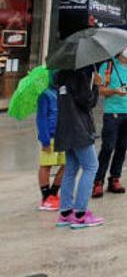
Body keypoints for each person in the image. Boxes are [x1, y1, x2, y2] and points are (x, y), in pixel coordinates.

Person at [54, 66, 104, 229]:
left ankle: (65, 212)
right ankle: (80, 214)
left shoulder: (60, 76)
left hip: (65, 128)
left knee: (71, 168)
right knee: (91, 166)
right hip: (79, 128)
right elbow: (88, 102)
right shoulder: (78, 76)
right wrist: (96, 86)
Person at [93, 45, 127, 198]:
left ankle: (115, 178)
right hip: (113, 113)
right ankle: (98, 181)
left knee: (122, 147)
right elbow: (100, 90)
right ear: (120, 49)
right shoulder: (107, 67)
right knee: (108, 147)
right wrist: (114, 91)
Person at [36, 81, 65, 211]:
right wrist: (45, 140)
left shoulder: (62, 92)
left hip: (63, 135)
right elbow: (41, 118)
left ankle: (53, 193)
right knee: (46, 166)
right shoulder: (45, 94)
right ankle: (45, 196)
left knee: (67, 164)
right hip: (51, 136)